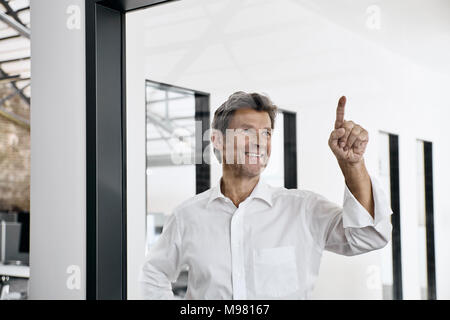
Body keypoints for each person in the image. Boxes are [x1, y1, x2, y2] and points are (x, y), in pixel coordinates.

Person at [139, 91, 393, 299]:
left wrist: (352, 165)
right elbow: (152, 275)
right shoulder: (188, 215)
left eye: (267, 133)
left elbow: (369, 236)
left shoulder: (303, 210)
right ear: (217, 140)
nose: (260, 142)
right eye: (247, 131)